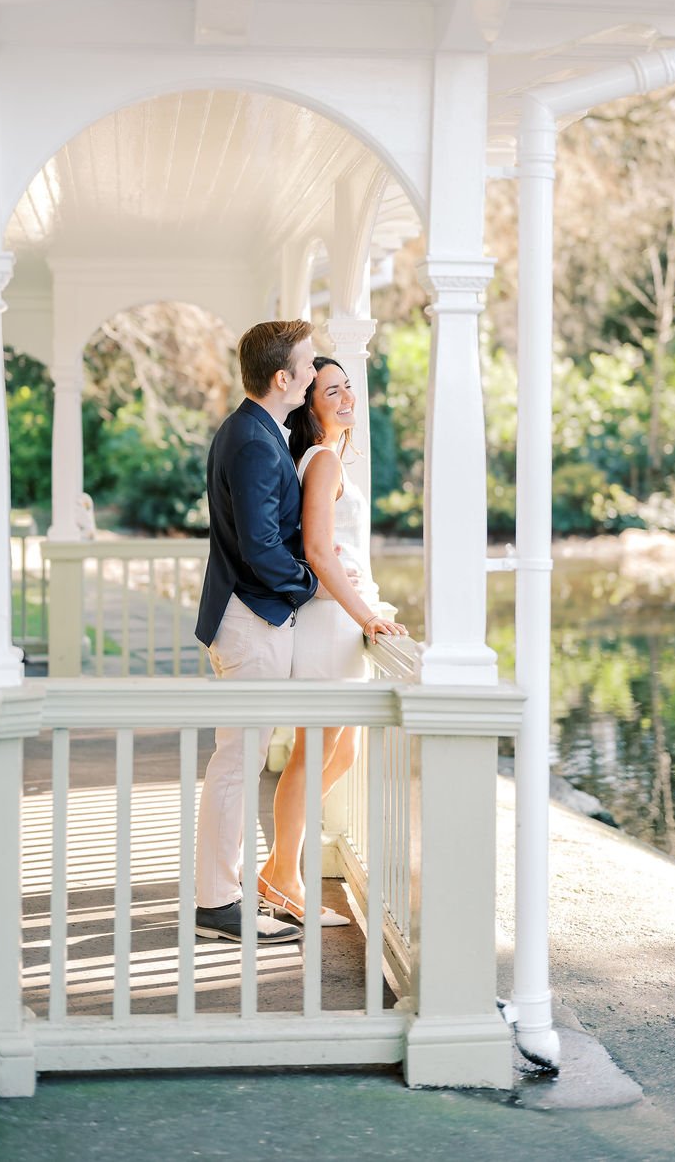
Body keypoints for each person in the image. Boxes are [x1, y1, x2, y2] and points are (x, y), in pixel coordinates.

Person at [257, 357, 407, 926]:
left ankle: (276, 868)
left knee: (342, 752)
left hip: (344, 623)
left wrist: (366, 610)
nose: (347, 398)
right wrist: (368, 615)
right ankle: (285, 879)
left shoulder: (327, 458)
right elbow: (319, 551)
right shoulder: (321, 460)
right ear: (310, 404)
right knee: (313, 752)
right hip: (330, 623)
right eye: (332, 392)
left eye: (348, 388)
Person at [193, 320, 319, 945]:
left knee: (238, 761)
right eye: (308, 365)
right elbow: (260, 544)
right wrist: (309, 585)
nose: (315, 374)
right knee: (237, 764)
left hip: (249, 617)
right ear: (282, 377)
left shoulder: (256, 430)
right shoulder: (252, 440)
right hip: (251, 619)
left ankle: (224, 892)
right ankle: (218, 904)